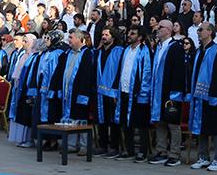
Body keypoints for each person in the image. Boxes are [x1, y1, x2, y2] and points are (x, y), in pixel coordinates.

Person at [189, 22, 217, 172]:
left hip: (214, 95)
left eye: (201, 30)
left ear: (210, 32)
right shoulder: (199, 51)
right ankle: (203, 157)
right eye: (198, 30)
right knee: (202, 127)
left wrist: (215, 95)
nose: (198, 32)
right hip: (200, 95)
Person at [50, 30, 96, 153]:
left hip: (80, 92)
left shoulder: (87, 54)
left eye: (71, 37)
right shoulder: (66, 54)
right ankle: (70, 145)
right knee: (68, 118)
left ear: (79, 39)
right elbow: (59, 73)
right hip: (67, 92)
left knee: (81, 118)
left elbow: (88, 76)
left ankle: (84, 146)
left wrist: (84, 94)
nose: (68, 40)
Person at [148, 19, 186, 167]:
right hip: (159, 90)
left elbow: (179, 72)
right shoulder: (159, 46)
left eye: (161, 27)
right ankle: (161, 151)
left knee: (173, 123)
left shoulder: (176, 47)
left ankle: (174, 154)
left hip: (171, 91)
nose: (158, 29)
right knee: (160, 122)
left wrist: (175, 94)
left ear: (169, 30)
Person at [120, 26, 153, 162]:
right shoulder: (126, 50)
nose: (129, 35)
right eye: (129, 32)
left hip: (138, 93)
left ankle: (142, 152)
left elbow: (146, 73)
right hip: (125, 91)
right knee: (126, 123)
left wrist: (143, 92)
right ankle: (129, 149)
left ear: (140, 37)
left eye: (132, 33)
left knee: (141, 124)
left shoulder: (145, 51)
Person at [96, 27, 124, 158]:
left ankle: (114, 147)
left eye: (106, 34)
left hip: (112, 92)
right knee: (101, 119)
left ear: (113, 37)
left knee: (113, 120)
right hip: (99, 91)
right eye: (102, 34)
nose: (104, 36)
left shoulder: (119, 51)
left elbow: (119, 72)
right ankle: (102, 145)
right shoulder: (99, 51)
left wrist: (115, 91)